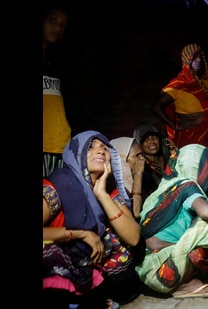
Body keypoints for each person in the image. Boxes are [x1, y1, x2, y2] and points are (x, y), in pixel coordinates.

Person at [43, 130, 142, 308]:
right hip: (59, 265)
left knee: (117, 243)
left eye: (105, 148)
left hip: (88, 265)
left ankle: (88, 295)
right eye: (90, 147)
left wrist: (102, 195)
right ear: (76, 154)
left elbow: (133, 237)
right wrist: (79, 234)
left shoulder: (108, 189)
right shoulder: (61, 183)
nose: (100, 151)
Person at [136, 144, 208, 298]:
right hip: (165, 274)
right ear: (195, 165)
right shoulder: (188, 186)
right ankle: (186, 284)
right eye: (205, 165)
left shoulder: (160, 193)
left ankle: (183, 281)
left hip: (148, 273)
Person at [152, 43, 208, 157]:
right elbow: (157, 107)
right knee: (192, 167)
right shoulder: (178, 84)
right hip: (191, 135)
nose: (199, 60)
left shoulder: (205, 82)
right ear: (186, 59)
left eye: (200, 57)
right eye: (195, 58)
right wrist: (175, 126)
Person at [43, 5, 71, 177]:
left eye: (62, 25)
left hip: (59, 143)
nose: (58, 28)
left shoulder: (54, 64)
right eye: (52, 20)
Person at [132, 124, 177, 199]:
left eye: (154, 137)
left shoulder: (168, 157)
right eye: (145, 139)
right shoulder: (143, 169)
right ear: (139, 145)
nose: (152, 141)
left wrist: (178, 155)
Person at [110, 137, 147, 219]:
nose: (143, 159)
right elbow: (136, 214)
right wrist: (138, 175)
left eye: (142, 154)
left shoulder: (144, 176)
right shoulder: (112, 185)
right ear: (122, 159)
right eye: (137, 155)